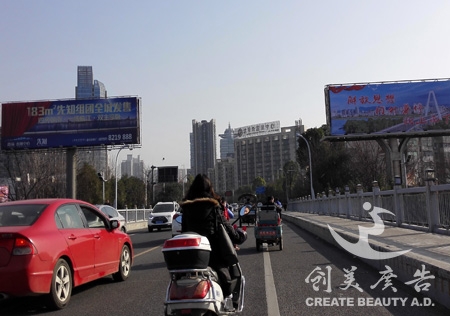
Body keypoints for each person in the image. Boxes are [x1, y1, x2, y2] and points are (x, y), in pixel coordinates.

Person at [181, 174, 247, 298]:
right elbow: (226, 228)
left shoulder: (186, 208)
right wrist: (240, 236)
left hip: (192, 257)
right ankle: (230, 300)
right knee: (229, 281)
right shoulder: (213, 207)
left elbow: (184, 232)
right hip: (213, 256)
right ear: (209, 189)